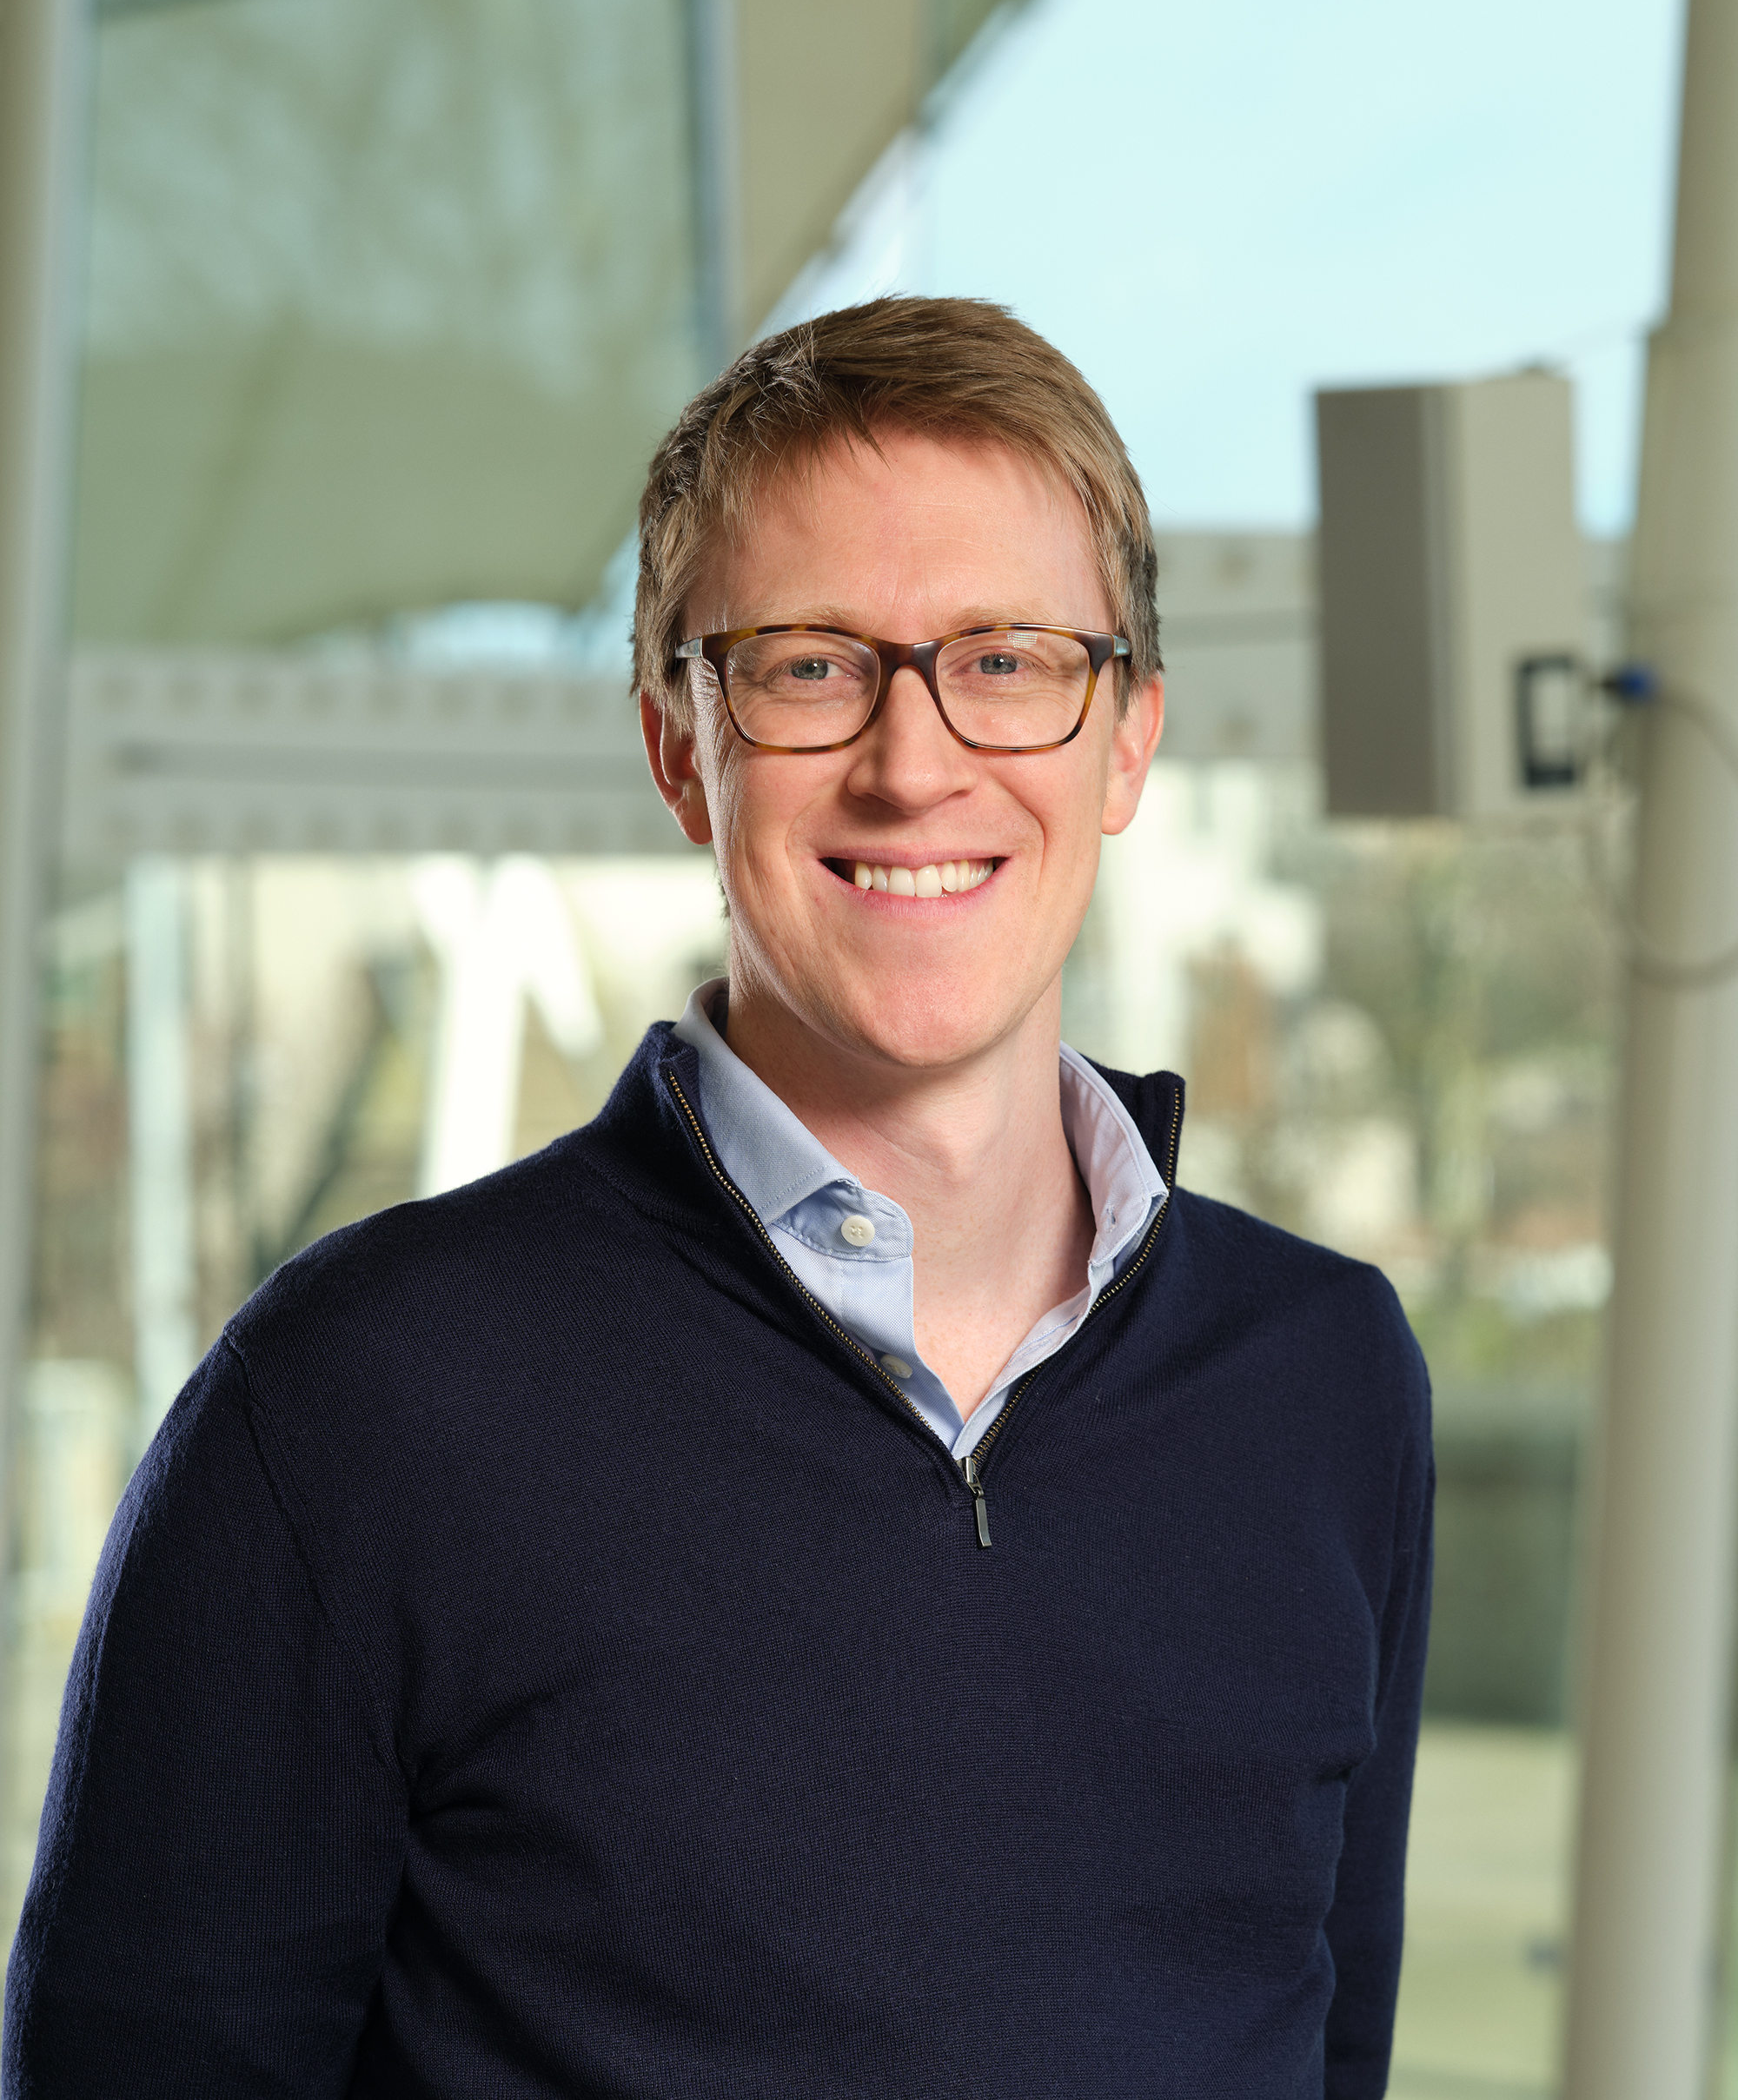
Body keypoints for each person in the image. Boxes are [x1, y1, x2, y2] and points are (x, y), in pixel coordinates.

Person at [3, 297, 1430, 2097]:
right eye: (810, 666)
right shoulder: (357, 1402)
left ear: (1129, 736)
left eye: (1006, 660)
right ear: (681, 745)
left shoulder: (1326, 1377)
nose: (915, 762)